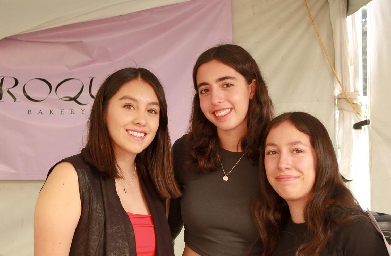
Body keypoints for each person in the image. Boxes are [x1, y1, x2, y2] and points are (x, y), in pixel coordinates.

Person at [34, 67, 181, 256]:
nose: (142, 120)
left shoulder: (154, 183)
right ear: (104, 111)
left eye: (152, 110)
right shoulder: (70, 177)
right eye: (129, 106)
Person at [168, 44, 274, 255]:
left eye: (226, 84)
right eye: (205, 90)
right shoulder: (185, 150)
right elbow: (166, 227)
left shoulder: (275, 154)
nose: (215, 99)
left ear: (251, 89)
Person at [253, 111, 390, 256]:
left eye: (297, 150)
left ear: (322, 157)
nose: (282, 164)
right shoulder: (272, 231)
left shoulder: (355, 230)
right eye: (272, 152)